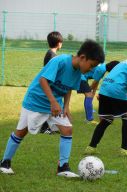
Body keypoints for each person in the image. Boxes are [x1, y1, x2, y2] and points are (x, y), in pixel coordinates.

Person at [0, 40, 105, 177]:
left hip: (55, 105)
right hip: (36, 101)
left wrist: (66, 106)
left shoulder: (79, 73)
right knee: (21, 132)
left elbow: (68, 89)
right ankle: (4, 163)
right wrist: (53, 101)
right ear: (83, 57)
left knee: (67, 129)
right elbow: (43, 80)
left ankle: (63, 167)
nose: (91, 69)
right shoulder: (60, 61)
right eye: (91, 65)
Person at [40, 31, 63, 134]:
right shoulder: (52, 56)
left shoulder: (51, 54)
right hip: (49, 85)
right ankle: (44, 128)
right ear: (59, 43)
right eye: (61, 42)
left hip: (50, 84)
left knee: (54, 105)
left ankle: (53, 126)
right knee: (49, 106)